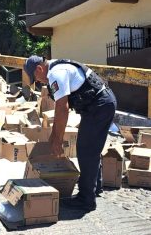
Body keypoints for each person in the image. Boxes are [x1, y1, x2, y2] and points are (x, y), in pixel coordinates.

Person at [24, 55, 117, 212]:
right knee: (90, 147)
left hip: (100, 105)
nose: (39, 82)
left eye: (36, 78)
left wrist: (58, 141)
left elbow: (62, 108)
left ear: (39, 69)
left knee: (86, 149)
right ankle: (94, 188)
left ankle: (86, 200)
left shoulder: (55, 74)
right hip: (99, 104)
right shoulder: (56, 68)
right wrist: (53, 137)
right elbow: (59, 109)